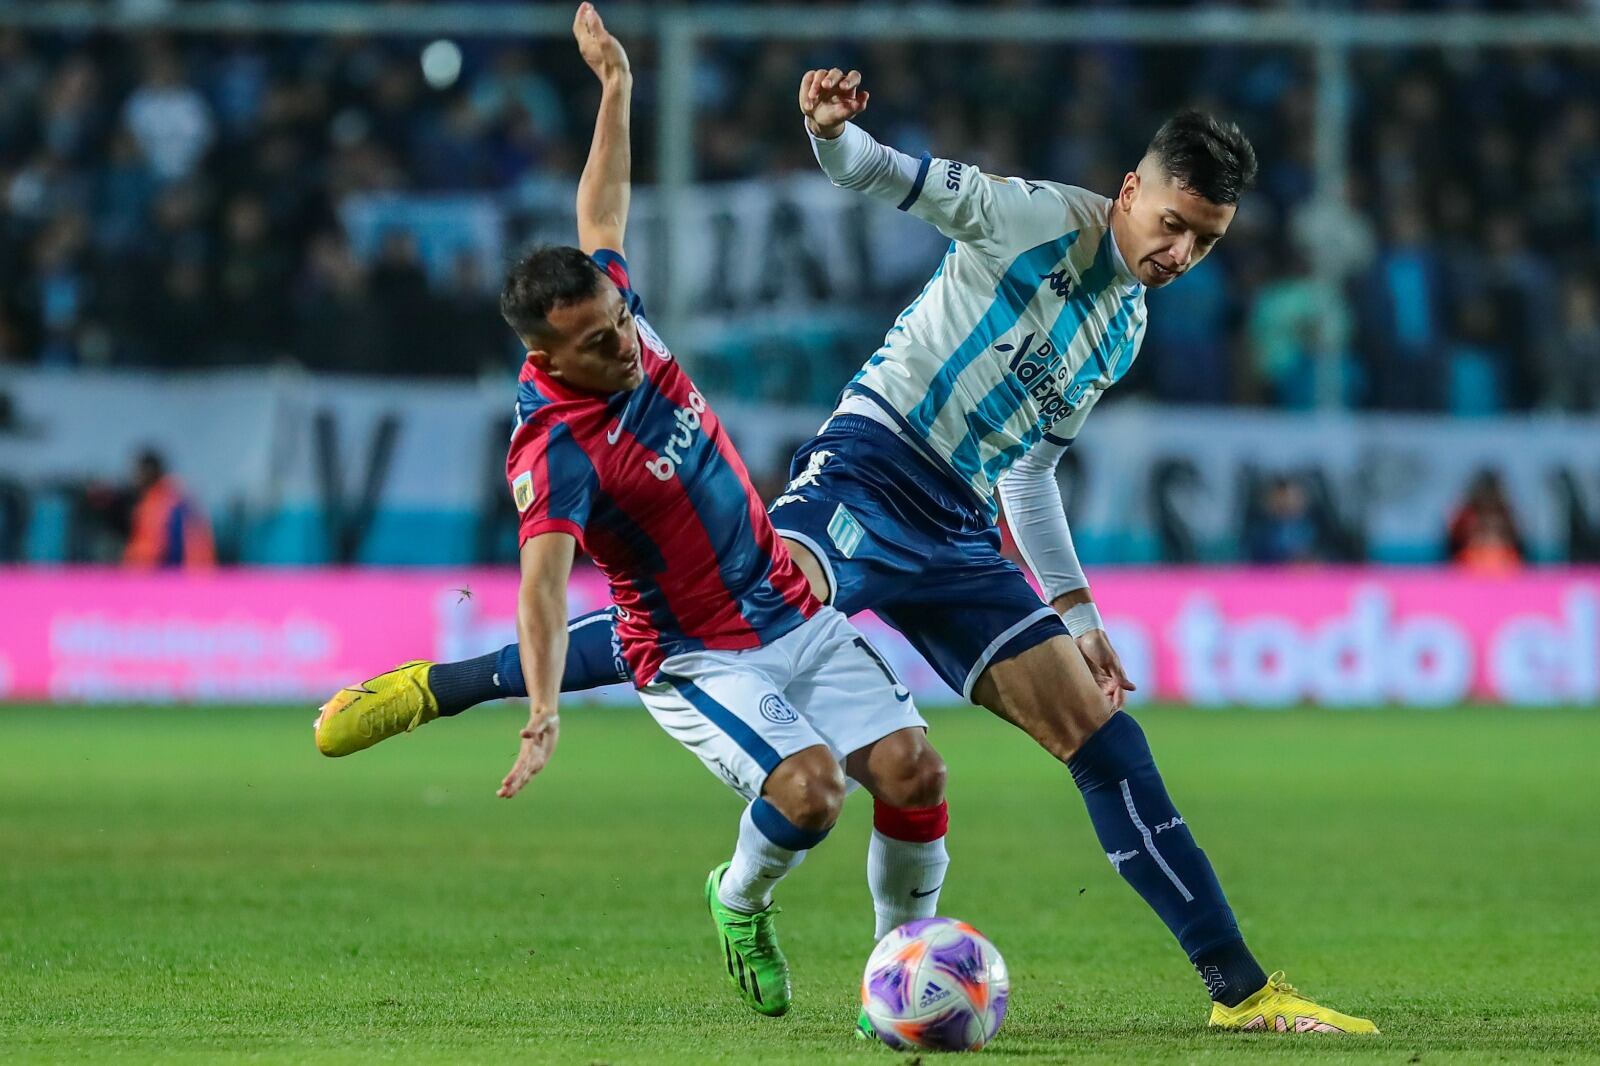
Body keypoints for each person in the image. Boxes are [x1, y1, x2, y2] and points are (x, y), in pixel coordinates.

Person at [330, 63, 1376, 1036]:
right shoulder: (1034, 217)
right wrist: (832, 132)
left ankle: (1240, 992)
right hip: (871, 471)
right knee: (729, 607)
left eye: (1206, 241)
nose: (1181, 253)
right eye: (1173, 223)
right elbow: (890, 176)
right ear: (1131, 190)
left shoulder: (1124, 327)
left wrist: (1075, 610)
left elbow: (1031, 472)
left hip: (961, 532)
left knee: (1105, 742)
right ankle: (449, 684)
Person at [314, 7, 949, 1021]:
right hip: (698, 658)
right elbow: (542, 590)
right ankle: (738, 897)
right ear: (543, 356)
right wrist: (543, 709)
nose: (625, 348)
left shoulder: (609, 304)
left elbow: (600, 214)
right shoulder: (553, 449)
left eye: (620, 325)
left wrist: (616, 88)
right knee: (813, 790)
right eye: (599, 345)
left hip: (788, 604)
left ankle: (900, 978)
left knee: (915, 771)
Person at [122, 447, 215, 568]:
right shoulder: (179, 497)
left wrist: (128, 565)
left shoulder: (158, 503)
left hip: (171, 573)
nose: (135, 478)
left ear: (149, 472)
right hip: (193, 571)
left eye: (138, 472)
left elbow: (150, 551)